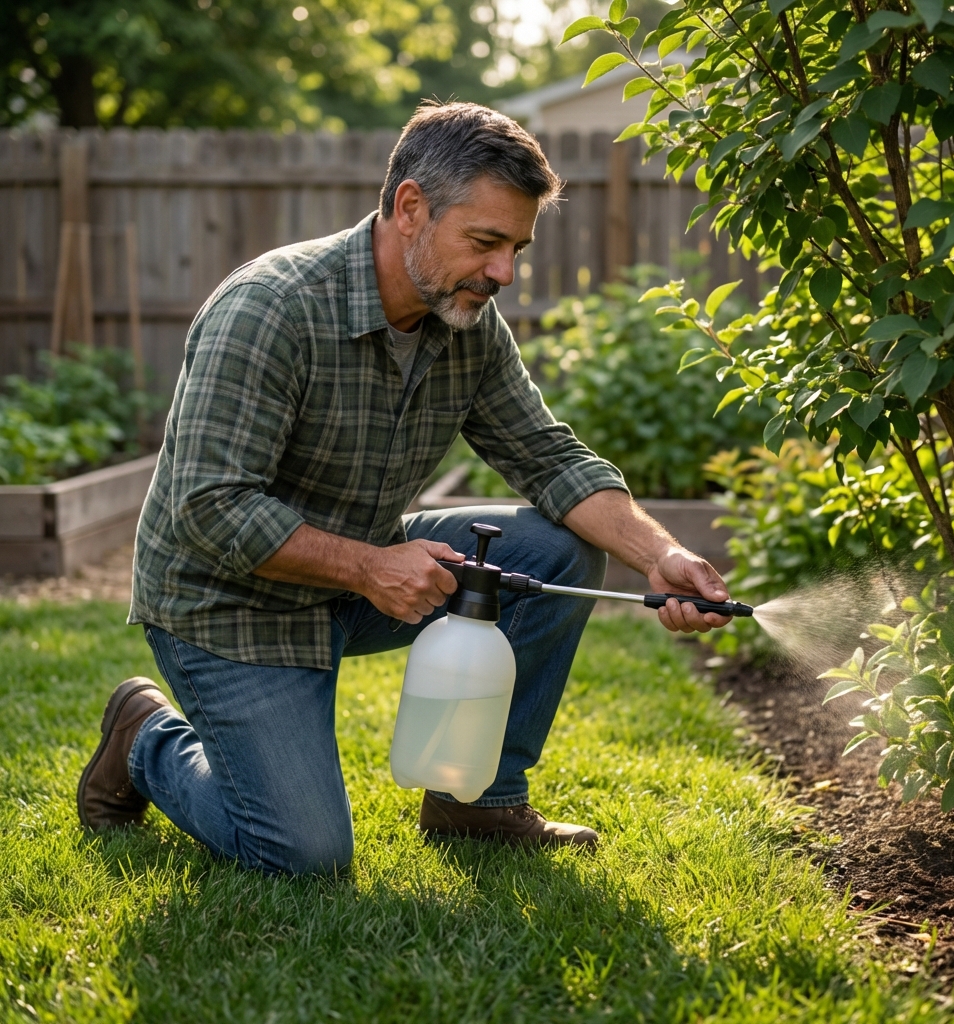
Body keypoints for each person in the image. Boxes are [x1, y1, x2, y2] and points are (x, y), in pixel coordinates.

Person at [77, 101, 732, 874]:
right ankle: (144, 736)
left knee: (558, 551)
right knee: (304, 855)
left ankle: (476, 802)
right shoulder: (272, 308)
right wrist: (368, 566)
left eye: (516, 248)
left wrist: (659, 554)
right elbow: (208, 510)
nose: (504, 274)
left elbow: (550, 459)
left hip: (357, 574)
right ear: (410, 208)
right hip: (227, 602)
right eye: (486, 242)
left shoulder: (466, 325)